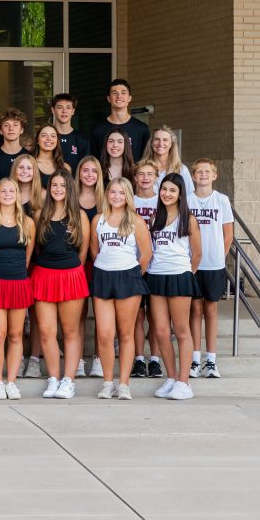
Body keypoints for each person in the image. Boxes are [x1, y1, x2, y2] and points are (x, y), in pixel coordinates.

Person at [89, 177, 152, 400]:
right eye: (113, 192)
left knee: (126, 334)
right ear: (107, 194)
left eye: (121, 193)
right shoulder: (98, 219)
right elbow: (94, 251)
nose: (116, 196)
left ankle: (123, 384)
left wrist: (132, 273)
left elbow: (145, 255)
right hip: (103, 277)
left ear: (128, 196)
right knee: (105, 335)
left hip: (128, 277)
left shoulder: (136, 221)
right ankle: (108, 382)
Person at [31, 169, 90, 399]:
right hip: (44, 275)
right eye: (54, 185)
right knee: (46, 332)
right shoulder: (39, 215)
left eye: (62, 186)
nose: (58, 189)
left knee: (70, 331)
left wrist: (71, 271)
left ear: (69, 189)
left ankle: (68, 380)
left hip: (71, 276)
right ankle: (54, 379)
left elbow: (83, 252)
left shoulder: (79, 216)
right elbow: (37, 248)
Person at [0, 178, 35, 400]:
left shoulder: (27, 222)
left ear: (18, 195)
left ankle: (11, 382)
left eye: (12, 190)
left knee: (15, 334)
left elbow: (27, 258)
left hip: (18, 282)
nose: (8, 194)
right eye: (3, 190)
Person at [146, 173, 201, 401]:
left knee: (181, 331)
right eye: (164, 189)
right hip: (157, 276)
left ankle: (184, 382)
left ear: (180, 195)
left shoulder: (188, 219)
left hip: (179, 275)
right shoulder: (153, 217)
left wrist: (185, 273)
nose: (167, 194)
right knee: (160, 331)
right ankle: (171, 377)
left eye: (172, 190)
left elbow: (197, 255)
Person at [189, 158, 234, 380]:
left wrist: (219, 257)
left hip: (214, 264)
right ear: (193, 176)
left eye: (207, 171)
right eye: (199, 172)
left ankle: (211, 360)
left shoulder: (222, 200)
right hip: (193, 265)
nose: (203, 175)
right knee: (195, 311)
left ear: (214, 175)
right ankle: (195, 359)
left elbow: (228, 234)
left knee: (211, 311)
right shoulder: (186, 201)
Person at [130, 159, 162, 379]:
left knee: (158, 317)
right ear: (135, 177)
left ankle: (156, 360)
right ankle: (139, 359)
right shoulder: (129, 201)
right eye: (141, 174)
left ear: (155, 177)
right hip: (134, 263)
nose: (145, 178)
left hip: (159, 266)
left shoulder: (163, 201)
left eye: (149, 174)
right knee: (138, 316)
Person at [76, 155, 105, 378]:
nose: (89, 175)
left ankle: (97, 358)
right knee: (78, 314)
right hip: (76, 262)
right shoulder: (70, 198)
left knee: (100, 313)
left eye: (93, 171)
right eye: (85, 170)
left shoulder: (106, 199)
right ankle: (76, 360)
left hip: (101, 263)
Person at [89, 79, 151, 162]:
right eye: (114, 93)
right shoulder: (97, 129)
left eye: (123, 92)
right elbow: (94, 161)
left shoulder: (142, 129)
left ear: (129, 98)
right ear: (108, 98)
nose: (119, 96)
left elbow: (146, 160)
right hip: (105, 175)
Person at [141, 125, 195, 194]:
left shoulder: (181, 170)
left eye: (165, 140)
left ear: (171, 144)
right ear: (151, 143)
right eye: (157, 139)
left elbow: (189, 197)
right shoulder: (141, 168)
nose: (161, 143)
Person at [0, 108, 29, 191]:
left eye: (15, 125)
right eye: (6, 125)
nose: (11, 129)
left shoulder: (29, 157)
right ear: (1, 131)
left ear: (21, 130)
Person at [50, 93, 89, 174]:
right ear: (53, 110)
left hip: (74, 185)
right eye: (60, 107)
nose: (64, 111)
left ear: (73, 111)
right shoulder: (47, 138)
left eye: (68, 107)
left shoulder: (82, 140)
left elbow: (86, 168)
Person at [31, 123, 65, 189]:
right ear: (37, 140)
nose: (49, 138)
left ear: (57, 141)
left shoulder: (65, 168)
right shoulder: (29, 165)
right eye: (44, 135)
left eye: (53, 136)